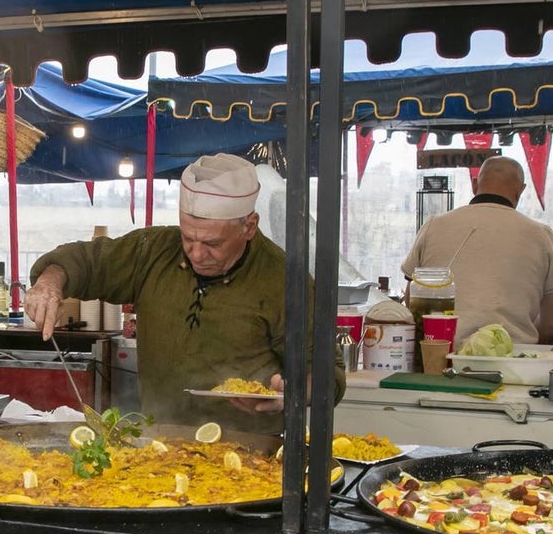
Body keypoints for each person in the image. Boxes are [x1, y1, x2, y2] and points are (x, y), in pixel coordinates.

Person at [25, 153, 345, 435]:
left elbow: (328, 377)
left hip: (251, 453)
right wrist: (50, 283)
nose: (196, 253)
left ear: (249, 226)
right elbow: (86, 261)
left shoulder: (287, 282)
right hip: (158, 441)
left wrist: (289, 394)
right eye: (188, 237)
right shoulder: (153, 251)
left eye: (212, 244)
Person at [401, 156, 553, 347]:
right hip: (511, 360)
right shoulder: (540, 234)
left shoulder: (434, 226)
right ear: (520, 190)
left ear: (475, 184)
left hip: (438, 355)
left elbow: (411, 300)